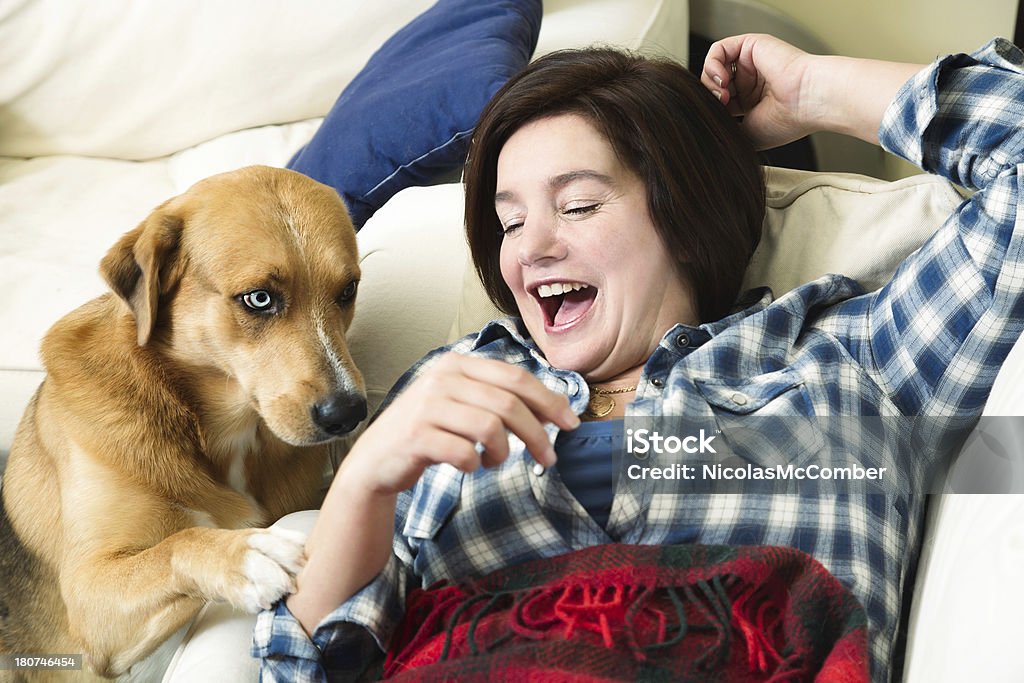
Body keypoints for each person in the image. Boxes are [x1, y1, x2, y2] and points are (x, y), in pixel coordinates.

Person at [254, 32, 1024, 682]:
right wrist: (362, 481)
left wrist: (817, 90)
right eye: (508, 221)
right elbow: (301, 665)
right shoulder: (449, 394)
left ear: (684, 212)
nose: (532, 249)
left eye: (578, 204)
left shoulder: (851, 361)